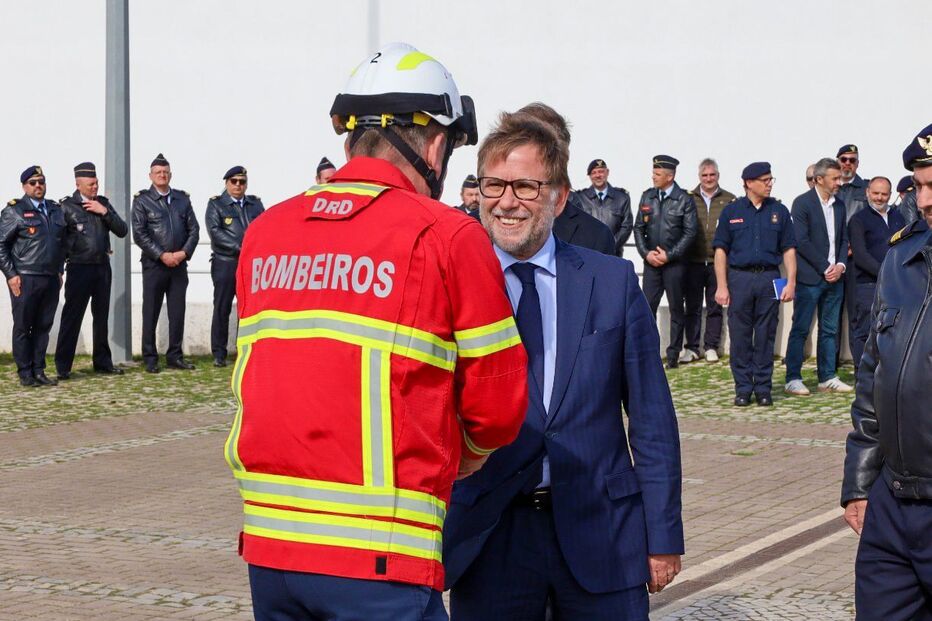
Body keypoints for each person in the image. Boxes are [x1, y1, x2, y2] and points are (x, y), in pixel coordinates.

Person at [227, 43, 528, 621]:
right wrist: (465, 453)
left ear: (348, 143)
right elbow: (497, 404)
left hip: (270, 548)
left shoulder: (265, 232)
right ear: (436, 146)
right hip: (381, 554)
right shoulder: (447, 235)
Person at [445, 107, 683, 620]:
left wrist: (663, 536)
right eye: (493, 185)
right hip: (490, 538)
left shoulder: (611, 282)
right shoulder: (451, 284)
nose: (507, 202)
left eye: (525, 187)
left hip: (604, 532)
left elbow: (652, 420)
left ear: (558, 196)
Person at [841, 122, 932, 621]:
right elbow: (873, 376)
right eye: (919, 186)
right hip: (893, 506)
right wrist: (860, 480)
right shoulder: (900, 259)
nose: (924, 201)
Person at [712, 162, 796, 406]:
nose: (770, 184)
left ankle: (763, 388)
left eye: (771, 179)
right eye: (765, 180)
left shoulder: (779, 211)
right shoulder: (731, 211)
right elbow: (720, 250)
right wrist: (721, 285)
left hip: (769, 277)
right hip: (740, 278)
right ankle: (743, 388)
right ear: (749, 183)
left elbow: (789, 249)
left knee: (766, 334)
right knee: (739, 335)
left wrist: (791, 282)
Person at [784, 158, 853, 395]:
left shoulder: (839, 205)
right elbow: (801, 240)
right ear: (819, 179)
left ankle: (827, 376)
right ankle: (793, 377)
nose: (839, 182)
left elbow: (843, 239)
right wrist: (826, 267)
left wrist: (840, 265)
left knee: (830, 330)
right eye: (835, 178)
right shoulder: (802, 203)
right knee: (801, 328)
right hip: (810, 278)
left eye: (840, 178)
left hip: (836, 278)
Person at [54, 162, 128, 379]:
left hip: (102, 267)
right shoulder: (67, 207)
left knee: (101, 317)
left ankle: (103, 362)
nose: (95, 187)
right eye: (91, 184)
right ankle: (63, 366)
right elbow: (59, 242)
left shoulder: (102, 203)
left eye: (96, 183)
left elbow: (122, 230)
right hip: (79, 268)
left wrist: (104, 212)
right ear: (78, 184)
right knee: (72, 317)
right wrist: (58, 270)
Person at [131, 153, 200, 373]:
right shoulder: (142, 201)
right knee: (150, 312)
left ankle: (175, 356)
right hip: (154, 265)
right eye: (158, 172)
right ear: (151, 176)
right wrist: (162, 255)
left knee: (177, 313)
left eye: (165, 172)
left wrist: (183, 253)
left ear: (171, 175)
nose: (162, 175)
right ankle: (150, 358)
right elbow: (139, 234)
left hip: (179, 265)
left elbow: (194, 230)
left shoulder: (182, 199)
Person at [0, 166, 66, 387]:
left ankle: (39, 370)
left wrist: (60, 270)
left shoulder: (55, 210)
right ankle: (25, 372)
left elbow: (61, 244)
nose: (38, 185)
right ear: (24, 186)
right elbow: (1, 245)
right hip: (25, 277)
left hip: (50, 278)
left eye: (41, 181)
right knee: (23, 326)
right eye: (33, 182)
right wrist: (11, 275)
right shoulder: (15, 211)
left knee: (43, 326)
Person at [633, 155, 698, 368]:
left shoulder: (684, 199)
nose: (653, 177)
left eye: (657, 174)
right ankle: (648, 352)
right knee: (646, 308)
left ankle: (673, 355)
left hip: (675, 265)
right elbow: (638, 228)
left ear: (670, 177)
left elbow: (690, 232)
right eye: (653, 173)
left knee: (676, 309)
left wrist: (669, 255)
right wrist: (646, 254)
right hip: (651, 264)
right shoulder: (648, 196)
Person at [205, 166, 264, 367]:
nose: (238, 185)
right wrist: (243, 247)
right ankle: (219, 353)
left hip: (250, 264)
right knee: (222, 308)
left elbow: (263, 227)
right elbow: (215, 232)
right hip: (226, 263)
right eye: (234, 181)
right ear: (227, 183)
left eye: (242, 181)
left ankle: (244, 350)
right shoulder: (217, 205)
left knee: (247, 309)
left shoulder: (255, 204)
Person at [846, 176, 905, 370]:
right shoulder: (858, 220)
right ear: (867, 193)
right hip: (868, 285)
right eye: (875, 193)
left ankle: (884, 375)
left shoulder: (898, 217)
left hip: (895, 285)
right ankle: (862, 376)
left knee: (890, 331)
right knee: (864, 332)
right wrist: (886, 274)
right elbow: (860, 255)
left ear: (890, 195)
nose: (879, 197)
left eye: (884, 194)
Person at [683, 158, 735, 364]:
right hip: (693, 261)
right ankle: (692, 347)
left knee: (715, 306)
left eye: (712, 175)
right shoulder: (688, 198)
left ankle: (711, 346)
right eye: (704, 175)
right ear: (699, 177)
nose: (708, 179)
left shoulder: (729, 199)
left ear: (718, 176)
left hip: (717, 263)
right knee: (692, 306)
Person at [572, 158, 633, 256]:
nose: (597, 175)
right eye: (594, 173)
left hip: (614, 255)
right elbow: (575, 225)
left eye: (601, 171)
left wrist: (611, 245)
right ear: (590, 176)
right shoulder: (580, 198)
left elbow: (626, 226)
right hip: (588, 254)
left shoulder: (622, 197)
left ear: (607, 172)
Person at [836, 144, 868, 221]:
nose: (847, 163)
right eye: (843, 159)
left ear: (857, 163)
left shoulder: (867, 188)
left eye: (852, 160)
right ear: (837, 162)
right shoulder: (828, 187)